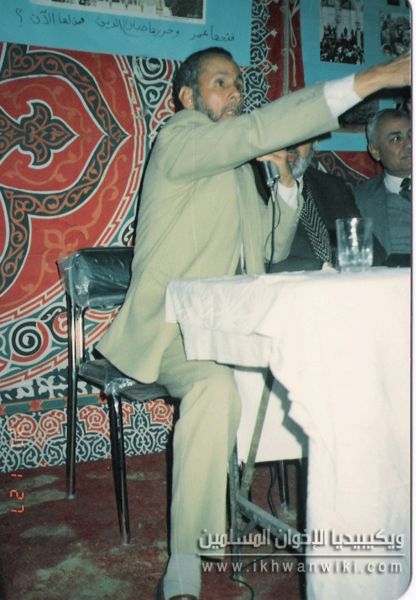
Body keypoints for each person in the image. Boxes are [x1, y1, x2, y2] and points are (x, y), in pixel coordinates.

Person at [95, 47, 410, 600]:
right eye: (221, 82)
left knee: (338, 363)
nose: (236, 92)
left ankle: (368, 505)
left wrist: (284, 180)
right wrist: (376, 77)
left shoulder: (238, 169)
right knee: (216, 389)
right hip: (172, 331)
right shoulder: (180, 137)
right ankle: (185, 563)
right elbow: (256, 130)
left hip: (226, 328)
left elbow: (269, 247)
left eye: (238, 83)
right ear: (187, 97)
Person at [253, 138, 387, 272]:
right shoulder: (250, 185)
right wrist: (324, 268)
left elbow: (370, 252)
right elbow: (261, 260)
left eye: (300, 135)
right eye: (285, 133)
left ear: (314, 141)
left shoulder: (332, 186)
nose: (290, 143)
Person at [354, 108, 411, 259]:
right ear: (375, 151)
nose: (409, 144)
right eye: (396, 139)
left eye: (412, 134)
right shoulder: (357, 200)